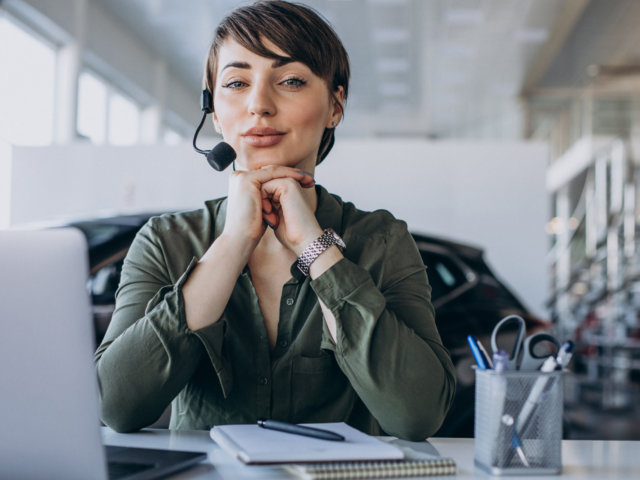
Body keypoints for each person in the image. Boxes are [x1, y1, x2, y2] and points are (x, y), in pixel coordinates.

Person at [95, 0, 455, 441]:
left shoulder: (381, 239)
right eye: (236, 82)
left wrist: (315, 246)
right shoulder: (165, 240)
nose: (259, 105)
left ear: (335, 106)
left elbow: (417, 415)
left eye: (290, 80)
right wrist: (232, 243)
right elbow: (115, 405)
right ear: (213, 109)